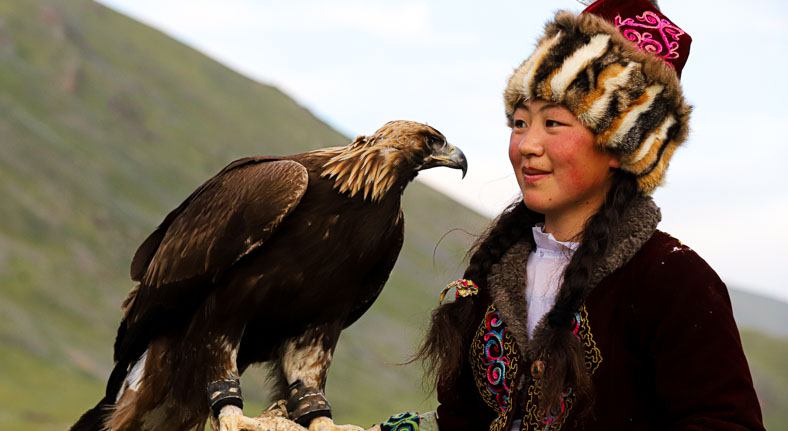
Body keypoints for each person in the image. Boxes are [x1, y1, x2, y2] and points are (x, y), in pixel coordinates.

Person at [371, 0, 765, 430]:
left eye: (553, 124)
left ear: (620, 144)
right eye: (520, 123)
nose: (527, 145)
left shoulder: (675, 280)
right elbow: (462, 419)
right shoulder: (493, 271)